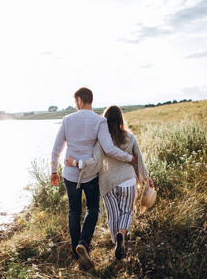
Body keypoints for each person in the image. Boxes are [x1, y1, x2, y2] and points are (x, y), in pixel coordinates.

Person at [50, 88, 136, 270]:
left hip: (71, 175)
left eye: (76, 102)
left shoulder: (67, 120)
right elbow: (109, 148)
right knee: (93, 208)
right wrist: (129, 158)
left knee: (74, 211)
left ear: (80, 100)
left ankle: (76, 253)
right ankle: (84, 243)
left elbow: (56, 148)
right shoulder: (100, 121)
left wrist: (53, 171)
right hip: (90, 175)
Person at [66, 105, 154, 260]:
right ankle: (122, 234)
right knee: (127, 212)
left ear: (105, 120)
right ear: (121, 119)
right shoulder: (130, 137)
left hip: (108, 184)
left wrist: (76, 163)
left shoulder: (101, 141)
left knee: (113, 216)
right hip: (128, 181)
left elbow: (94, 162)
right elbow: (138, 159)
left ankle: (116, 244)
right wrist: (146, 178)